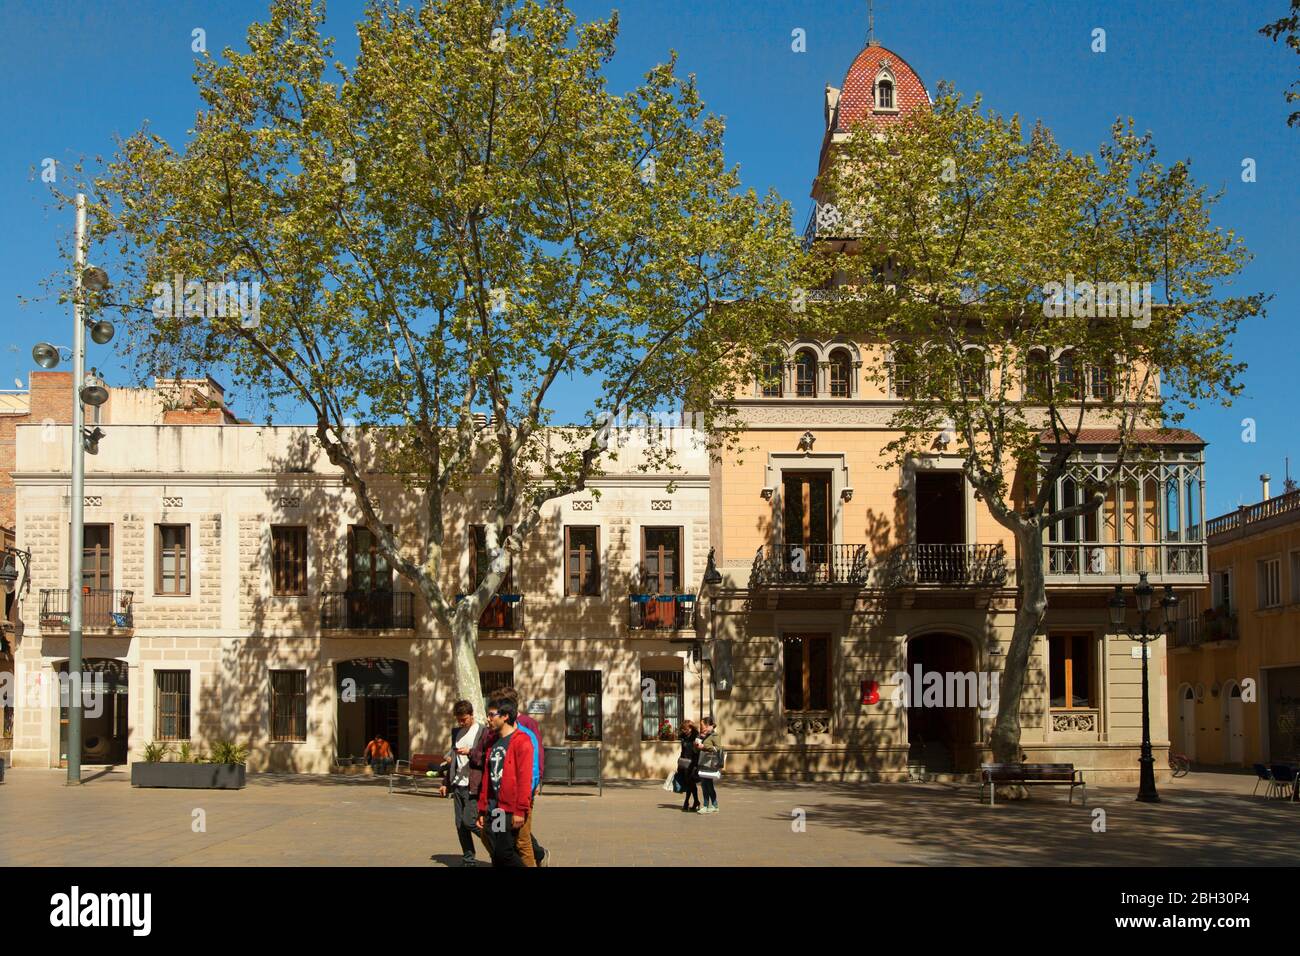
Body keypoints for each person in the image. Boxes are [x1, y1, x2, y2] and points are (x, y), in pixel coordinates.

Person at [489, 686, 549, 866]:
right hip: (499, 803)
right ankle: (537, 854)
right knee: (498, 846)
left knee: (521, 841)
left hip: (519, 799)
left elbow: (531, 764)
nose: (489, 717)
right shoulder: (494, 735)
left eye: (492, 713)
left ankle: (537, 856)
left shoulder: (525, 732)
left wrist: (534, 786)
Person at [476, 697, 534, 867]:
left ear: (505, 716)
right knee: (497, 853)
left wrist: (520, 810)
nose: (488, 719)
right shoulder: (493, 742)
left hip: (510, 808)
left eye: (492, 715)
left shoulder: (522, 741)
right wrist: (483, 808)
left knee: (505, 852)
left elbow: (525, 779)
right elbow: (487, 777)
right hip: (496, 807)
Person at [438, 700, 485, 866]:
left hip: (473, 785)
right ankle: (468, 859)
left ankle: (498, 846)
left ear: (472, 715)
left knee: (470, 822)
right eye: (459, 720)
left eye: (464, 719)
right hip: (458, 784)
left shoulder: (482, 731)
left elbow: (485, 756)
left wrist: (470, 752)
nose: (461, 722)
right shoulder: (456, 732)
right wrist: (446, 782)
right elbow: (453, 760)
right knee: (460, 825)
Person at [695, 716, 721, 813]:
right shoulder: (705, 735)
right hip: (703, 762)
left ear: (708, 725)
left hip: (709, 763)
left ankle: (710, 805)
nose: (702, 728)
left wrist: (704, 746)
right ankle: (711, 805)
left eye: (703, 726)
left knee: (708, 785)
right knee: (704, 785)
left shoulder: (715, 736)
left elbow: (719, 748)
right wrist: (697, 745)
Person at [678, 719, 700, 812]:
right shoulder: (683, 737)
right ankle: (695, 802)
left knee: (690, 783)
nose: (683, 731)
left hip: (694, 763)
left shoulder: (696, 737)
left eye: (685, 729)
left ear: (690, 728)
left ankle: (687, 802)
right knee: (689, 783)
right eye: (682, 729)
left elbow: (698, 751)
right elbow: (682, 750)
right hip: (685, 762)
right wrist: (679, 763)